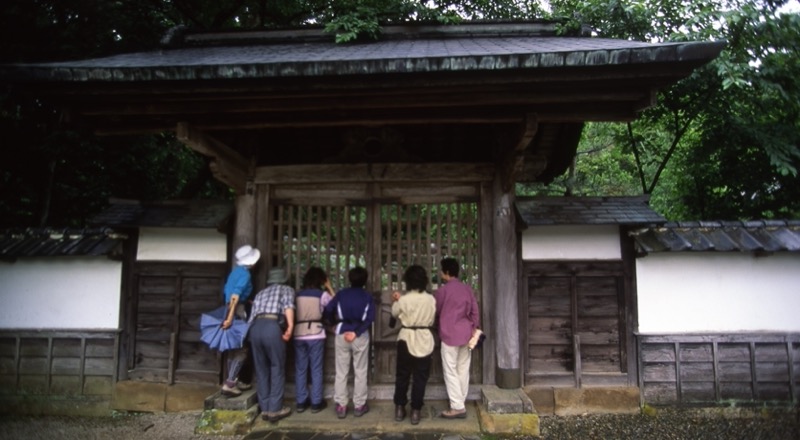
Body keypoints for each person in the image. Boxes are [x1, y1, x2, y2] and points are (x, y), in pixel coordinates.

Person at [322, 266, 375, 419]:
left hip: (342, 332)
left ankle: (341, 406)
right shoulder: (367, 297)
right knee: (360, 370)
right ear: (365, 281)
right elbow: (370, 318)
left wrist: (333, 324)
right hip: (360, 334)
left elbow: (328, 310)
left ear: (350, 279)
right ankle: (359, 405)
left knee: (342, 370)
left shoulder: (341, 295)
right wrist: (357, 332)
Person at [248, 267, 296, 423]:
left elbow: (251, 316)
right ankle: (275, 409)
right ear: (283, 280)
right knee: (277, 366)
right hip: (272, 326)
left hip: (255, 328)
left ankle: (265, 408)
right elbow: (288, 306)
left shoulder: (260, 293)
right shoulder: (286, 289)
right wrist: (290, 327)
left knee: (261, 368)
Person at [435, 257, 480, 419]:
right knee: (463, 368)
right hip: (466, 333)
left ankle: (457, 406)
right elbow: (475, 311)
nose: (440, 273)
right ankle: (460, 401)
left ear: (446, 273)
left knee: (450, 370)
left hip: (449, 334)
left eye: (441, 270)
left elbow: (437, 310)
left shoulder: (442, 291)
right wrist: (473, 327)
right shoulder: (467, 289)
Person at [391, 265, 437, 425]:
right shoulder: (431, 299)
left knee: (402, 375)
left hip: (406, 338)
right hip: (424, 338)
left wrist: (397, 300)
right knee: (420, 378)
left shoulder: (404, 299)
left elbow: (394, 313)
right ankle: (416, 411)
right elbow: (432, 319)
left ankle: (399, 408)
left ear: (407, 281)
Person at [292, 267, 336, 414]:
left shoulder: (297, 295)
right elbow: (334, 305)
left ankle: (301, 402)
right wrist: (329, 287)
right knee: (316, 368)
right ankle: (316, 402)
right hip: (316, 333)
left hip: (299, 333)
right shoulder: (321, 295)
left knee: (301, 368)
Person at [220, 244, 260, 397]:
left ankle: (233, 380)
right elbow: (235, 296)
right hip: (236, 310)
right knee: (242, 348)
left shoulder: (235, 272)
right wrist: (230, 318)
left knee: (233, 346)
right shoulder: (245, 274)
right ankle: (230, 383)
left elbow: (228, 292)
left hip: (229, 307)